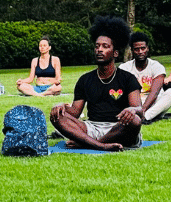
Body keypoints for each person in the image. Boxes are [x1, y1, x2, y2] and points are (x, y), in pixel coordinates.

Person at [49, 16, 144, 151]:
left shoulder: (128, 78)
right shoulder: (85, 79)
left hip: (119, 128)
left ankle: (90, 144)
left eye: (105, 46)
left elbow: (139, 110)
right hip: (92, 127)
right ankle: (101, 145)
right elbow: (75, 112)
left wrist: (132, 109)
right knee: (57, 117)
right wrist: (60, 108)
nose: (99, 49)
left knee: (135, 121)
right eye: (97, 46)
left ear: (115, 53)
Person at [125, 31, 171, 122]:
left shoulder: (157, 67)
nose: (140, 52)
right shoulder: (125, 68)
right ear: (132, 50)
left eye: (143, 48)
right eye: (137, 49)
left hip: (153, 103)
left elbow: (154, 93)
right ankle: (151, 116)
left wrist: (142, 110)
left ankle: (145, 117)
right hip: (133, 104)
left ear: (147, 49)